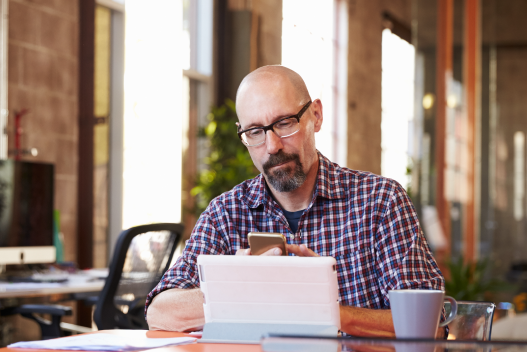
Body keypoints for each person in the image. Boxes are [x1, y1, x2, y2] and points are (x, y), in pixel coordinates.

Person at [145, 65, 445, 337]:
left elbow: (429, 325)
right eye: (255, 132)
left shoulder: (380, 202)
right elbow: (160, 312)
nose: (272, 146)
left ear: (315, 115)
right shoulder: (225, 214)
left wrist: (324, 310)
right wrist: (239, 288)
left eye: (285, 123)